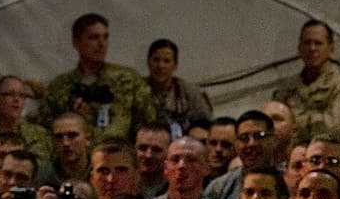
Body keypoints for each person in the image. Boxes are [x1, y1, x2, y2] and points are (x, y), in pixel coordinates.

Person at [40, 13, 158, 143]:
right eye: (94, 37)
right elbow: (46, 128)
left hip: (119, 155)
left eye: (105, 37)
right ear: (76, 42)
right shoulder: (61, 86)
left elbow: (148, 124)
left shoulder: (127, 79)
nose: (101, 44)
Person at [144, 38, 212, 139]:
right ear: (148, 61)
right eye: (156, 60)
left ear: (175, 65)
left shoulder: (190, 92)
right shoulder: (136, 89)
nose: (160, 66)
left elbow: (205, 125)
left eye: (166, 61)